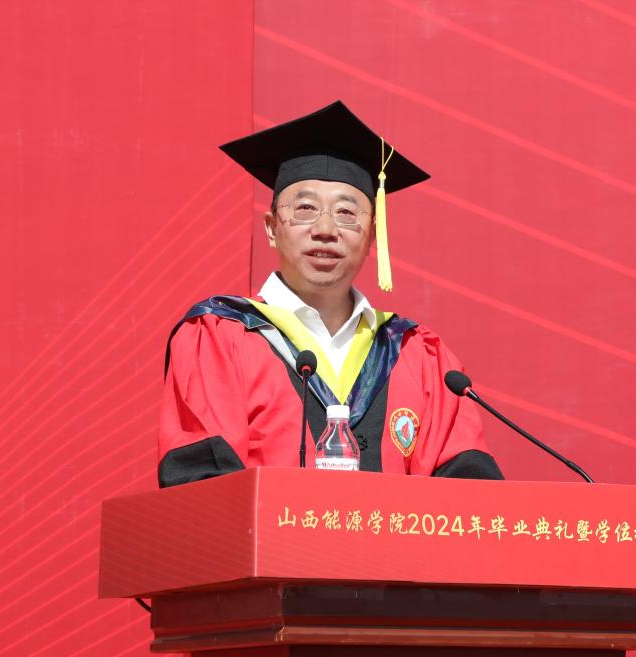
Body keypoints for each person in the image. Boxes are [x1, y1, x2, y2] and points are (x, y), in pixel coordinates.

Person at [157, 101, 502, 487]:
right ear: (271, 228)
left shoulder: (418, 356)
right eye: (305, 208)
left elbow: (468, 496)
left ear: (372, 236)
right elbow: (202, 491)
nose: (325, 229)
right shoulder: (219, 339)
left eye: (346, 213)